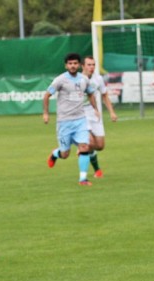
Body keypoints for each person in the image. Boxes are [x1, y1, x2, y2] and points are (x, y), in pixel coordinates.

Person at [43, 53, 100, 186]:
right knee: (65, 154)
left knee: (84, 147)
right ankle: (55, 154)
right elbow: (46, 95)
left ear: (79, 65)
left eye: (75, 63)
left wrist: (95, 109)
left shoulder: (84, 79)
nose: (72, 66)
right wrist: (46, 114)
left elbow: (91, 93)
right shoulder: (60, 80)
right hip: (64, 122)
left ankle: (83, 179)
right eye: (70, 63)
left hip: (80, 120)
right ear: (66, 65)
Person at [81, 56, 118, 178]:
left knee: (100, 145)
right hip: (81, 115)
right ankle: (93, 170)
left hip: (95, 114)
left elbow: (105, 95)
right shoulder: (77, 80)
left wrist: (111, 112)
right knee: (89, 142)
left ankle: (84, 150)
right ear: (83, 66)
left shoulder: (98, 79)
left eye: (93, 65)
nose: (91, 67)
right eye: (89, 65)